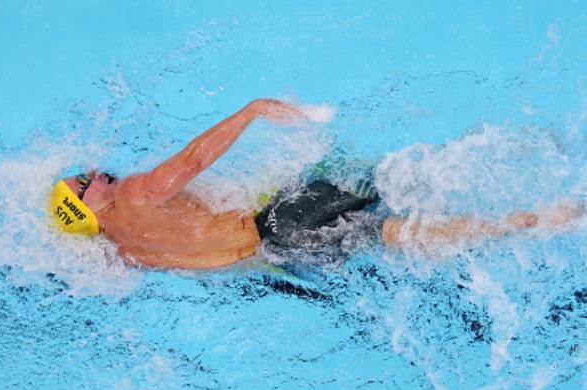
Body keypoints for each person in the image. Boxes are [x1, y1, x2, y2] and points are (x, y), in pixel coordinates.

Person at [49, 98, 584, 269]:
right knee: (386, 182)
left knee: (389, 234)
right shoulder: (134, 192)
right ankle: (526, 204)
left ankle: (521, 224)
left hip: (279, 253)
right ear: (85, 206)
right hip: (281, 220)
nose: (95, 173)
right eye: (84, 182)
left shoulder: (123, 250)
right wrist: (254, 110)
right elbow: (193, 159)